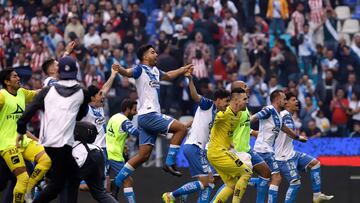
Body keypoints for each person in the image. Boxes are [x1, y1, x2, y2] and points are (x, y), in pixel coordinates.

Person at [113, 44, 192, 187]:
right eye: (153, 52)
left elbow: (167, 76)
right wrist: (120, 70)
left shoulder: (155, 70)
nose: (156, 54)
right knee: (181, 129)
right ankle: (169, 163)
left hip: (145, 118)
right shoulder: (139, 69)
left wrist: (182, 69)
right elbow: (128, 72)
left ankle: (116, 182)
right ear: (145, 56)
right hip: (149, 115)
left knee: (143, 156)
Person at [16, 56, 90, 203]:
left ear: (59, 72)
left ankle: (43, 184)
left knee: (73, 176)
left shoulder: (47, 91)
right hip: (62, 145)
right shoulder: (83, 92)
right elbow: (81, 115)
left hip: (49, 142)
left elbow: (29, 111)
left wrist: (20, 130)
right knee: (57, 184)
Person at [162, 75, 230, 203]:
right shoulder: (208, 105)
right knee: (206, 182)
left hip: (196, 148)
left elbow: (195, 120)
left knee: (209, 182)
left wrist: (185, 126)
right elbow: (195, 96)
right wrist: (190, 80)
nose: (226, 105)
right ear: (219, 100)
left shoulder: (215, 113)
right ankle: (171, 195)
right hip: (195, 147)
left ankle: (183, 194)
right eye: (226, 101)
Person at [0, 68, 52, 203]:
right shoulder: (2, 96)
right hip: (7, 145)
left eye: (18, 76)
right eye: (15, 76)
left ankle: (30, 188)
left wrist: (56, 83)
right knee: (21, 179)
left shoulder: (22, 93)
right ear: (6, 82)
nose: (18, 78)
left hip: (22, 141)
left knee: (46, 159)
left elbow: (39, 93)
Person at [275, 92, 334, 203]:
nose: (297, 101)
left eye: (296, 99)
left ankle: (317, 195)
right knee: (295, 183)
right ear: (286, 102)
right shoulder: (284, 115)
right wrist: (298, 137)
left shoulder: (289, 116)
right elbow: (286, 130)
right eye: (293, 100)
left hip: (291, 153)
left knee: (315, 163)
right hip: (283, 157)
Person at [250, 90, 307, 203]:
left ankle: (249, 181)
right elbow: (254, 117)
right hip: (263, 150)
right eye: (284, 98)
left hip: (266, 150)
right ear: (277, 99)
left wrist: (298, 138)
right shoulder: (269, 109)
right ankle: (250, 181)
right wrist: (245, 124)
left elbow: (287, 130)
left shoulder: (279, 117)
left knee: (267, 179)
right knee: (276, 178)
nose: (285, 101)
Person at [207, 88, 253, 203]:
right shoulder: (223, 114)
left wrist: (231, 144)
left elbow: (228, 133)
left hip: (219, 152)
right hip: (218, 152)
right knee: (246, 172)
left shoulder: (239, 115)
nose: (247, 101)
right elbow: (208, 122)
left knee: (231, 184)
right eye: (245, 99)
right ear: (236, 100)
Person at [80, 63, 120, 191]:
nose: (102, 96)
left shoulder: (100, 108)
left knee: (105, 185)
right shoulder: (87, 110)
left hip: (104, 149)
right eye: (99, 95)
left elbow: (105, 88)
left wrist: (113, 75)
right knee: (99, 186)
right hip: (93, 150)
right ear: (92, 98)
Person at [231, 80, 272, 203]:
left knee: (266, 173)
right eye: (245, 86)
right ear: (238, 90)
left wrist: (253, 132)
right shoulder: (234, 107)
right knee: (230, 184)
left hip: (247, 149)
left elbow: (243, 125)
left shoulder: (244, 105)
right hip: (236, 150)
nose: (248, 88)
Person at [72, 121, 118, 203]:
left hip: (84, 156)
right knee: (100, 193)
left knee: (67, 186)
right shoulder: (94, 145)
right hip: (97, 152)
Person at [106, 99, 139, 202]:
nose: (136, 112)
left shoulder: (114, 117)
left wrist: (123, 145)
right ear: (127, 109)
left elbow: (113, 135)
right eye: (134, 110)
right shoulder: (124, 121)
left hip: (106, 152)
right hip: (114, 156)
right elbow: (136, 132)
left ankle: (113, 188)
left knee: (103, 185)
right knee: (128, 180)